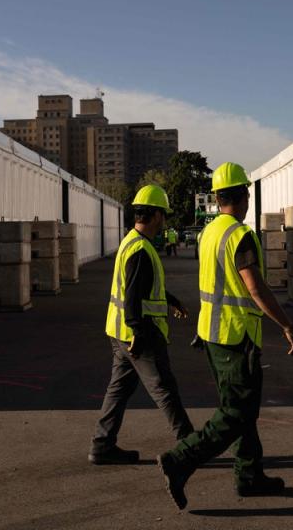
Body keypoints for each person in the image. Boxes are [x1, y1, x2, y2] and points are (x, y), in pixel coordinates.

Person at [156, 162, 293, 509]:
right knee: (236, 414)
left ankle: (249, 476)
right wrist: (286, 324)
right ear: (243, 197)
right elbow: (255, 288)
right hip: (235, 337)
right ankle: (180, 459)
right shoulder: (240, 236)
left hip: (211, 335)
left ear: (218, 197)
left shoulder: (209, 232)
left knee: (241, 410)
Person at [89, 184, 195, 465]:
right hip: (138, 334)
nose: (165, 221)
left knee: (119, 389)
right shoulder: (141, 250)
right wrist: (138, 330)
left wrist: (170, 300)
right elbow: (133, 295)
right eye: (164, 215)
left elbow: (141, 288)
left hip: (119, 333)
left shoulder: (132, 242)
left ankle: (102, 444)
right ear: (157, 215)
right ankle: (191, 445)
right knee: (164, 387)